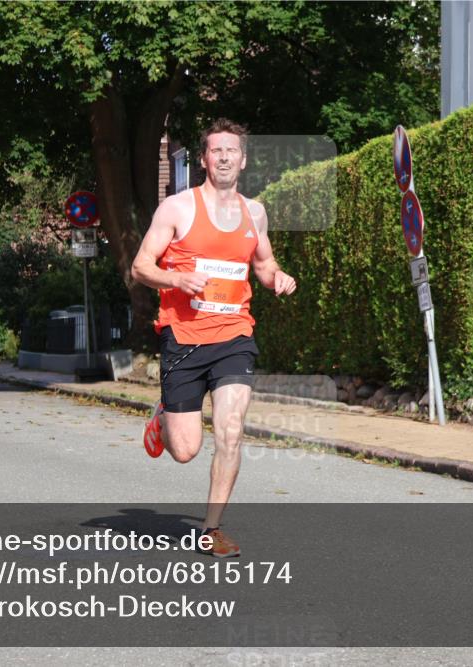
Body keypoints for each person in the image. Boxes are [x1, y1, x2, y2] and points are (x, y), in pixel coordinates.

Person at [131, 118, 297, 558]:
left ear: (242, 160)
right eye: (215, 151)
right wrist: (176, 277)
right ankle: (164, 415)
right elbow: (140, 267)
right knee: (185, 450)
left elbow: (263, 265)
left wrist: (278, 277)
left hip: (234, 335)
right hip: (183, 338)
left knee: (231, 430)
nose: (224, 157)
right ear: (204, 159)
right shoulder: (177, 209)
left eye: (232, 151)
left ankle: (211, 529)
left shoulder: (254, 212)